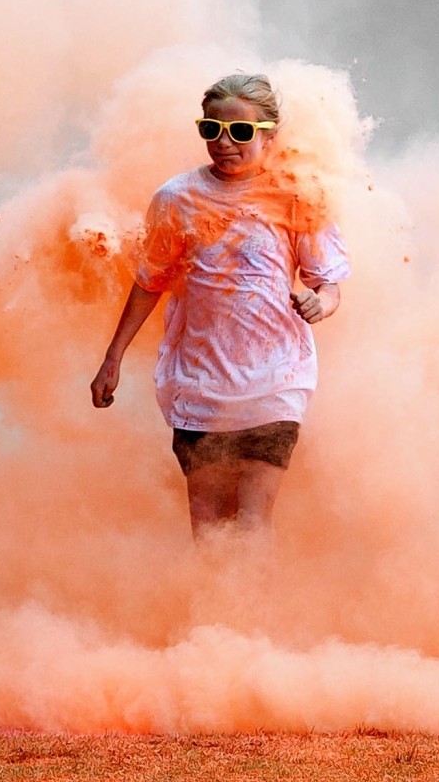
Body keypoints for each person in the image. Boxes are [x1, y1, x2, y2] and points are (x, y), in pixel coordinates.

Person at [90, 72, 350, 538]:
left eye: (241, 132)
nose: (224, 142)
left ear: (268, 136)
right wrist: (113, 358)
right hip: (200, 383)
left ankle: (252, 611)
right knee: (208, 524)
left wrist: (320, 302)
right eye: (211, 130)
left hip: (275, 380)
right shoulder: (176, 199)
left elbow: (327, 281)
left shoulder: (296, 196)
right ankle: (213, 612)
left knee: (252, 519)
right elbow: (150, 281)